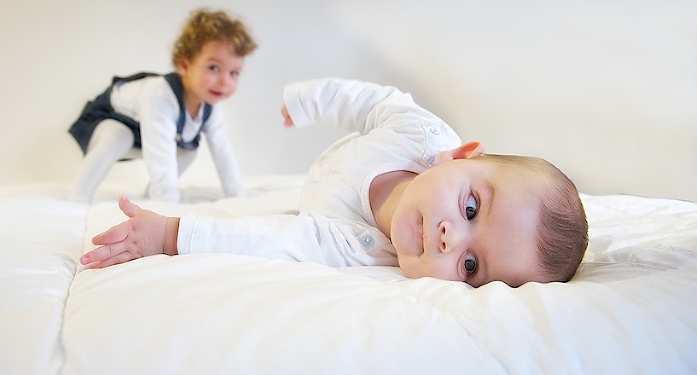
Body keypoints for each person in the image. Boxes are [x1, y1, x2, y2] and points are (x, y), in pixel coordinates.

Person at [80, 78, 588, 287]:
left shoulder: (359, 249)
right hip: (341, 160)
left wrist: (169, 235)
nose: (450, 237)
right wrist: (311, 99)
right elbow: (375, 102)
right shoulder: (423, 134)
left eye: (471, 266)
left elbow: (269, 240)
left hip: (318, 197)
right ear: (458, 156)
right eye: (472, 207)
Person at [68, 8, 258, 203]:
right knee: (119, 135)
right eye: (214, 68)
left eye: (234, 73)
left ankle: (152, 193)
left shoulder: (210, 107)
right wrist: (166, 201)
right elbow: (160, 152)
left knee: (189, 149)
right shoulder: (159, 94)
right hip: (105, 121)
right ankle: (78, 197)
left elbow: (223, 150)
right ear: (184, 65)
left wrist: (237, 195)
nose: (225, 82)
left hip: (143, 135)